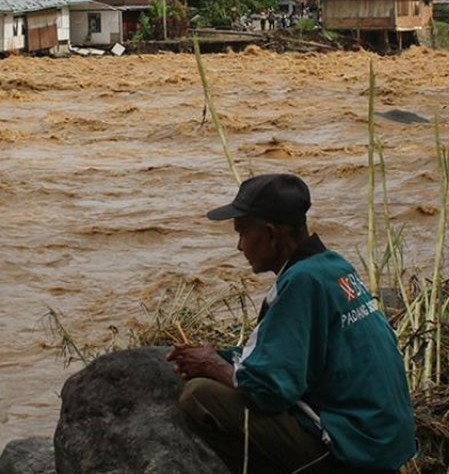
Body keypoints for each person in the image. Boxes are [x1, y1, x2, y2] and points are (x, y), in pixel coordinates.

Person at [168, 173, 416, 474]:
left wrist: (211, 365)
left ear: (271, 234)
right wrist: (219, 356)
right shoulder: (332, 266)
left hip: (356, 452)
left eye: (242, 232)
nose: (239, 246)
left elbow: (268, 390)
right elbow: (287, 353)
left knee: (200, 396)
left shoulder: (301, 282)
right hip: (384, 442)